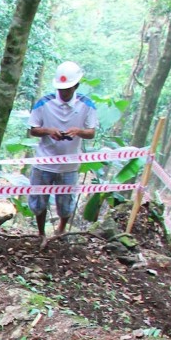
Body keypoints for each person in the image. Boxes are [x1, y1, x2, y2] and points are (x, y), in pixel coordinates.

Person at [27, 60, 98, 241]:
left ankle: (61, 230)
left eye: (67, 89)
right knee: (38, 201)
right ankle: (41, 232)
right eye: (61, 89)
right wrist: (49, 131)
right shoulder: (43, 103)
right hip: (44, 162)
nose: (63, 92)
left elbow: (91, 132)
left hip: (69, 166)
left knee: (66, 203)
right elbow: (33, 129)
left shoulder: (87, 105)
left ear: (76, 86)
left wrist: (78, 131)